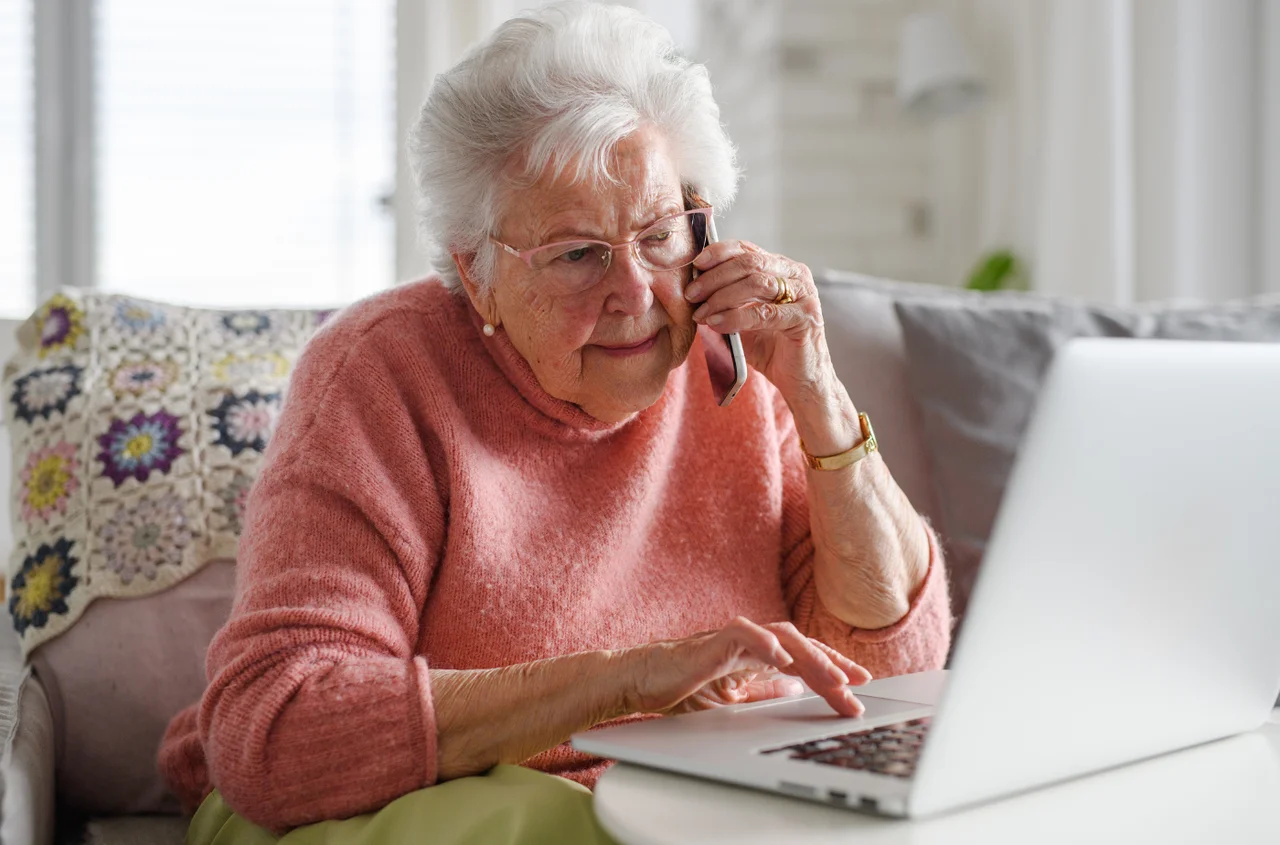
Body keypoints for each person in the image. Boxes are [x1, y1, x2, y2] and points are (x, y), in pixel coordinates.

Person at [160, 1, 951, 840]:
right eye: (578, 254)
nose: (636, 293)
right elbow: (279, 733)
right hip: (406, 802)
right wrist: (624, 682)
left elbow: (890, 669)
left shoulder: (739, 367)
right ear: (478, 277)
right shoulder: (379, 374)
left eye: (659, 237)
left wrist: (817, 390)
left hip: (684, 799)